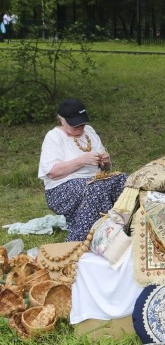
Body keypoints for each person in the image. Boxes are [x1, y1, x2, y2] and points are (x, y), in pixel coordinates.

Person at [38, 98, 127, 241]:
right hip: (61, 188)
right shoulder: (54, 137)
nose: (80, 128)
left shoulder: (89, 132)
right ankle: (83, 239)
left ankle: (123, 229)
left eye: (82, 124)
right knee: (96, 188)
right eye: (75, 126)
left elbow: (105, 168)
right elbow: (52, 172)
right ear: (62, 120)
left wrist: (105, 161)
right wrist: (81, 160)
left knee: (124, 180)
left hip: (94, 181)